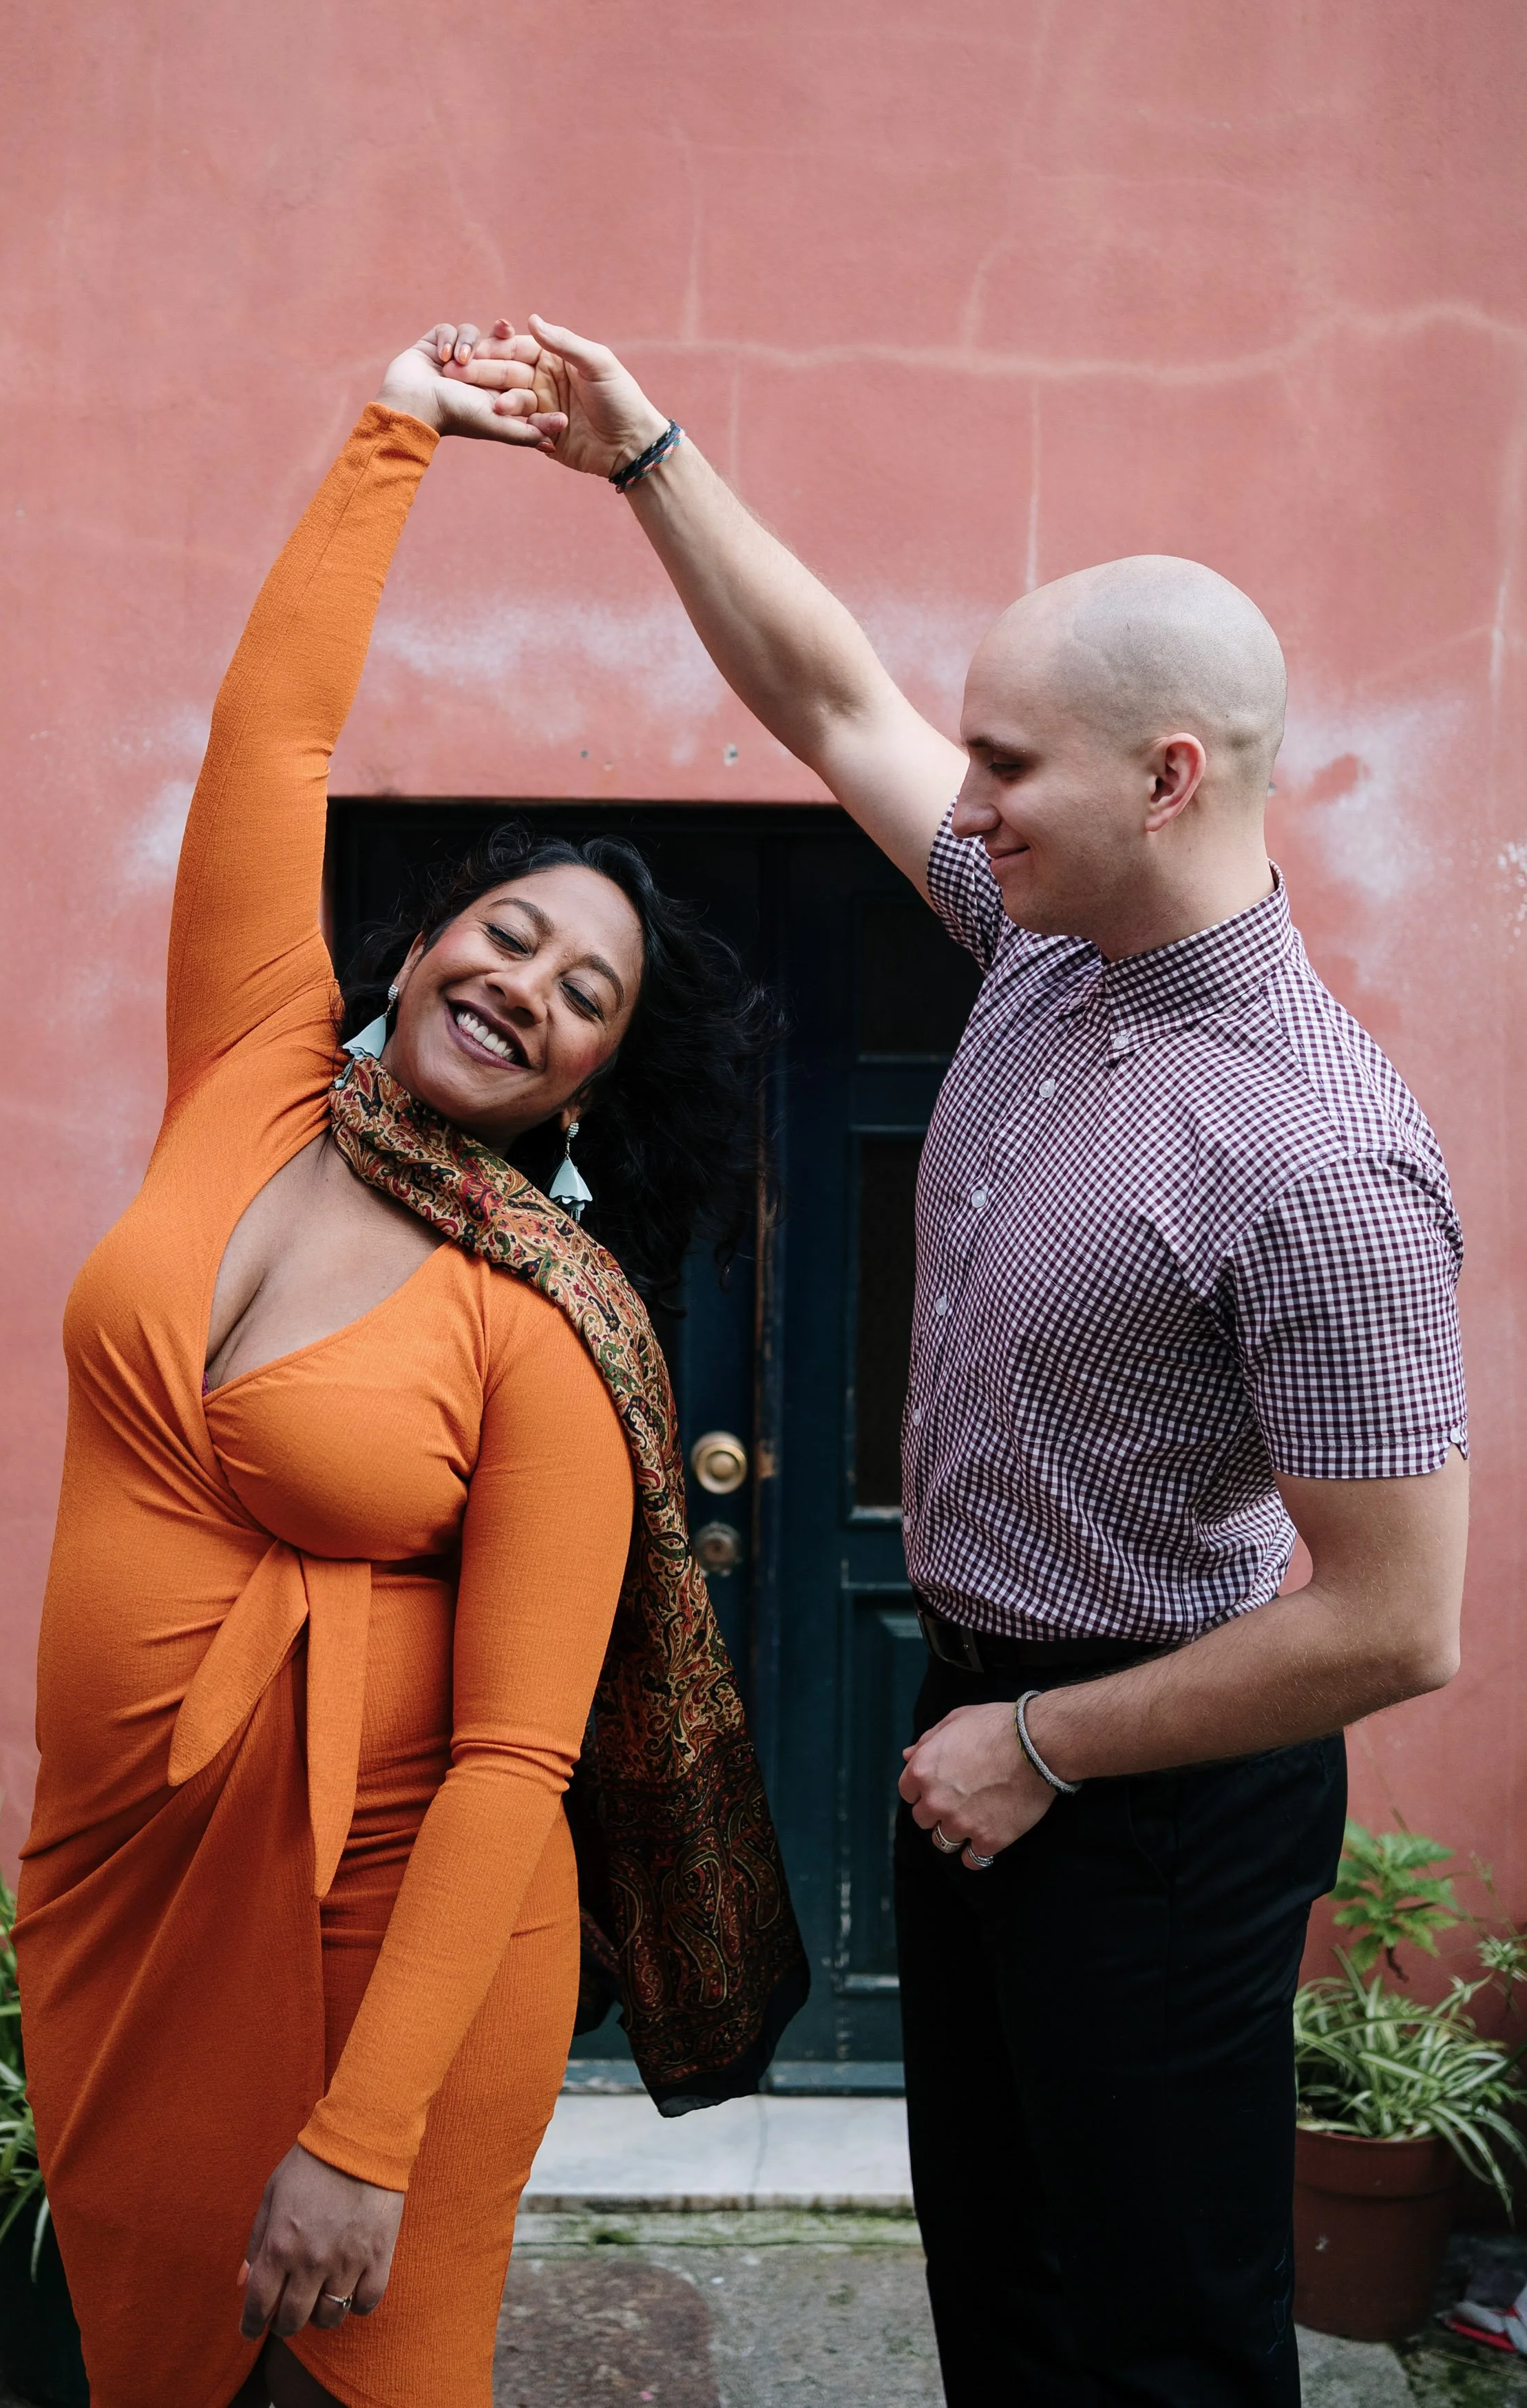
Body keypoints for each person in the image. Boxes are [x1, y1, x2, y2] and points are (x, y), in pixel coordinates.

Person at [446, 317, 1471, 2405]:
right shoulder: (1034, 941)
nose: (963, 789)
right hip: (976, 1721)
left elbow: (1397, 1622)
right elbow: (830, 694)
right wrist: (639, 449)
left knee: (1161, 2339)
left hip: (1154, 1791)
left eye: (1006, 762)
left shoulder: (1318, 1153)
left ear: (1167, 775)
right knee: (999, 2302)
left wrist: (1057, 1748)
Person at [14, 322, 807, 2408]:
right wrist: (397, 434)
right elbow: (269, 741)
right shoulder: (252, 1075)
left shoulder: (543, 1316)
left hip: (382, 1945)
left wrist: (360, 2140)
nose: (524, 982)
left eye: (584, 993)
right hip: (125, 1900)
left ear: (595, 1082)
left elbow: (511, 1769)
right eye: (508, 932)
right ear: (426, 940)